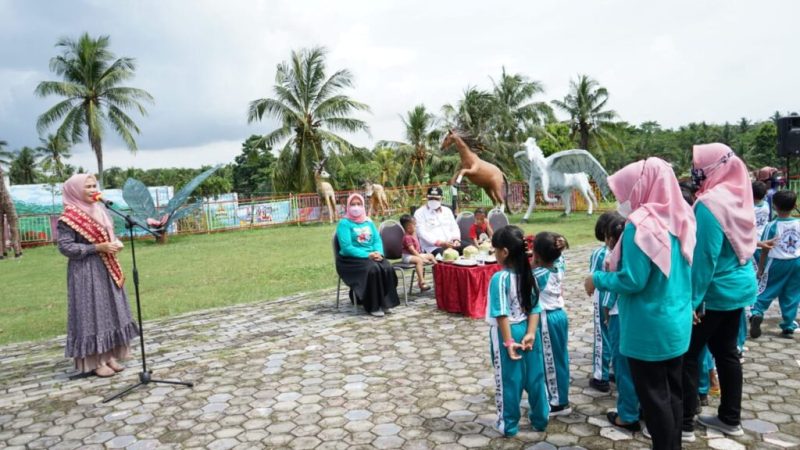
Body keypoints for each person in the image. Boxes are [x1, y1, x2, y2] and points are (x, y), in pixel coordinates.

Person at [585, 157, 696, 450]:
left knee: (654, 398)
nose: (625, 199)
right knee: (672, 393)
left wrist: (596, 279)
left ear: (642, 186)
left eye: (626, 191)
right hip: (677, 321)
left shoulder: (640, 226)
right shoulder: (682, 215)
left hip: (649, 327)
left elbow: (632, 280)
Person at [683, 143, 756, 440]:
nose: (695, 172)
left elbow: (705, 259)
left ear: (713, 167)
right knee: (727, 353)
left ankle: (684, 423)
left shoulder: (710, 204)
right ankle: (730, 418)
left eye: (698, 166)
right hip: (739, 287)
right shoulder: (740, 194)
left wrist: (691, 301)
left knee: (688, 355)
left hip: (715, 292)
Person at [57, 174, 139, 377]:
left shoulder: (101, 210)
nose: (93, 189)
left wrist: (115, 243)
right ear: (75, 190)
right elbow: (66, 247)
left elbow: (108, 235)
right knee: (92, 313)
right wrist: (97, 247)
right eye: (88, 187)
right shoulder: (68, 217)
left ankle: (110, 355)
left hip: (107, 267)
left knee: (110, 310)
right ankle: (95, 361)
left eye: (95, 185)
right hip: (85, 270)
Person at [486, 225, 549, 436]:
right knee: (535, 377)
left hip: (508, 333)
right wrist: (531, 333)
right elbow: (535, 307)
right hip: (530, 331)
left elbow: (501, 313)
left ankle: (509, 425)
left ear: (504, 252)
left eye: (495, 250)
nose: (494, 254)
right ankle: (540, 419)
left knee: (510, 381)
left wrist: (508, 342)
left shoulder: (500, 278)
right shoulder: (528, 274)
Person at [601, 213, 642, 432]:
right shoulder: (639, 250)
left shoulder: (612, 257)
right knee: (639, 367)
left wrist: (605, 313)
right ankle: (642, 407)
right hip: (638, 317)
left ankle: (627, 414)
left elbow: (611, 291)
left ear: (609, 239)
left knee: (623, 368)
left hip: (619, 317)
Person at [336, 193, 400, 317]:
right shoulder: (344, 223)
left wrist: (379, 253)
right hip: (350, 259)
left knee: (387, 267)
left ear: (363, 205)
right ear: (348, 207)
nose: (356, 207)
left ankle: (385, 302)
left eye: (359, 204)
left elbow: (377, 240)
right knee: (373, 269)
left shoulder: (368, 222)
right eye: (353, 204)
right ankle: (372, 306)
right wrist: (368, 255)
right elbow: (347, 247)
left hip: (372, 255)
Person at [750, 190, 800, 338]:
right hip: (797, 262)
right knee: (792, 293)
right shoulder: (799, 223)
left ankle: (757, 312)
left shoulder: (771, 226)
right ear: (795, 205)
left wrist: (760, 268)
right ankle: (788, 324)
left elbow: (765, 249)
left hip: (777, 262)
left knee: (767, 289)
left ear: (775, 206)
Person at [532, 231, 572, 416]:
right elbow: (558, 258)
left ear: (537, 255)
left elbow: (523, 277)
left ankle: (557, 402)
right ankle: (560, 395)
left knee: (550, 360)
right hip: (560, 316)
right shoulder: (559, 265)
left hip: (547, 318)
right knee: (560, 357)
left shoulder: (538, 274)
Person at [588, 212, 618, 393]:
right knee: (615, 334)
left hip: (603, 297)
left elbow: (592, 278)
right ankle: (614, 368)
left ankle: (601, 376)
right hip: (618, 297)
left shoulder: (599, 253)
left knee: (601, 336)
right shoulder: (624, 250)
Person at [413, 186, 462, 255]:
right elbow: (421, 233)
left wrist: (456, 240)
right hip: (432, 247)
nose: (433, 200)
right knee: (449, 256)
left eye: (436, 198)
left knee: (470, 248)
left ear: (441, 198)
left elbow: (454, 227)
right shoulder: (419, 213)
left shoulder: (447, 211)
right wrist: (441, 243)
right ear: (427, 198)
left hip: (451, 243)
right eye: (431, 198)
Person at [399, 214, 436, 292]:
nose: (416, 227)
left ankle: (438, 271)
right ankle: (421, 281)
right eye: (414, 225)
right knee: (419, 261)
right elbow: (412, 250)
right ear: (409, 227)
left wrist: (423, 256)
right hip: (407, 256)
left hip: (416, 255)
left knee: (431, 255)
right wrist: (421, 258)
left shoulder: (414, 234)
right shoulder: (407, 237)